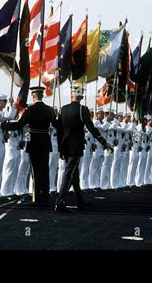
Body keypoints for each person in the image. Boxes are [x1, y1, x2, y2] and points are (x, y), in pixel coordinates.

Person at [54, 85, 113, 213]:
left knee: (73, 173)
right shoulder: (83, 109)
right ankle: (60, 201)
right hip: (75, 146)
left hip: (65, 146)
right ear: (81, 96)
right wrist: (104, 142)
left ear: (72, 95)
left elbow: (60, 130)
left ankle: (80, 201)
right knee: (69, 172)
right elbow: (91, 128)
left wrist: (60, 148)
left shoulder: (63, 109)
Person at [4, 86, 57, 207]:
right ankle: (45, 197)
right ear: (42, 96)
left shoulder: (30, 109)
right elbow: (56, 124)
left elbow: (20, 124)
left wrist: (5, 125)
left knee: (35, 170)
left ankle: (37, 198)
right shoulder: (49, 109)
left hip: (34, 142)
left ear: (33, 96)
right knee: (44, 169)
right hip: (45, 141)